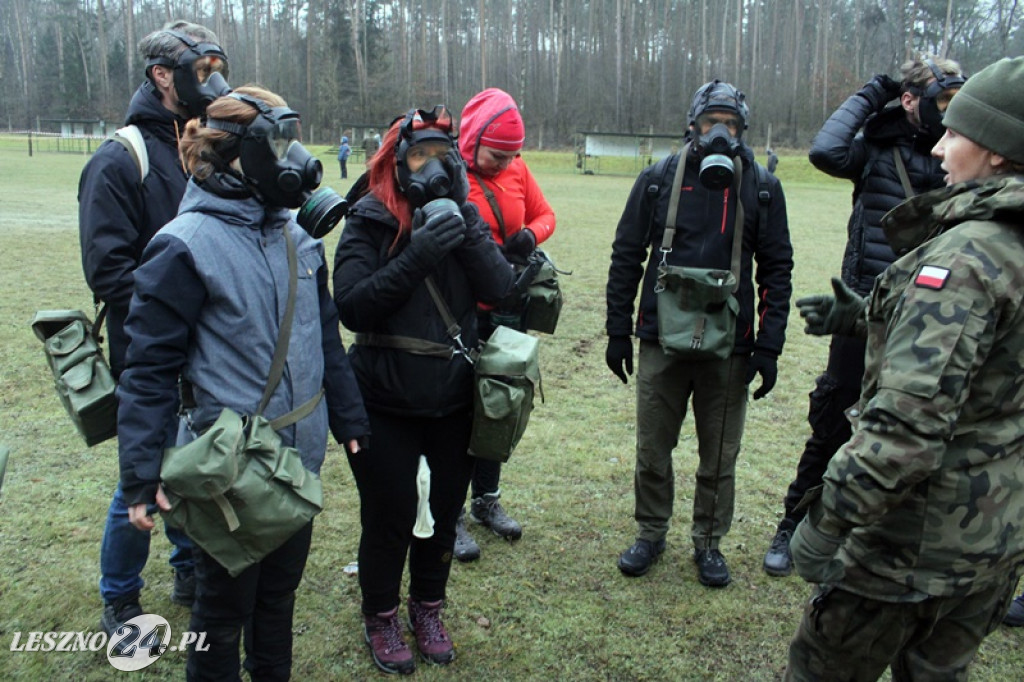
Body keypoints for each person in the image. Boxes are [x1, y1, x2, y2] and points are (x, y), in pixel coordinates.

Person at [117, 85, 369, 680]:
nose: (294, 158)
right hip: (227, 473)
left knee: (278, 602)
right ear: (234, 153)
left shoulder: (300, 238)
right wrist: (140, 473)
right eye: (276, 144)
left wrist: (351, 419)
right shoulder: (184, 247)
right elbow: (148, 370)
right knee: (221, 614)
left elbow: (325, 335)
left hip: (297, 462)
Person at [785, 56, 1024, 681]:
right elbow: (997, 359)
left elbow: (903, 435)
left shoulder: (967, 257)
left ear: (998, 152)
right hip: (997, 539)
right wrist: (875, 316)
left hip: (911, 547)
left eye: (957, 132)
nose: (942, 146)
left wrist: (823, 523)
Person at [763, 55, 965, 578]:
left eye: (955, 100)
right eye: (942, 99)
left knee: (916, 427)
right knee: (833, 421)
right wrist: (873, 91)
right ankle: (793, 524)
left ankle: (883, 539)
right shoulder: (877, 146)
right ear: (910, 100)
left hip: (935, 316)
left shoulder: (962, 158)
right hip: (860, 308)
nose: (950, 112)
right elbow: (825, 151)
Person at [333, 106, 515, 674]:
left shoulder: (465, 213)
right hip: (383, 398)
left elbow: (501, 287)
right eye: (418, 156)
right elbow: (352, 305)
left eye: (442, 155)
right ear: (397, 161)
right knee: (388, 515)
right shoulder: (369, 215)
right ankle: (381, 615)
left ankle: (427, 608)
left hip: (452, 398)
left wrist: (460, 225)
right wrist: (418, 253)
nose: (431, 166)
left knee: (442, 510)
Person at [605, 80, 793, 587]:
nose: (719, 132)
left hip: (729, 348)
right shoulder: (657, 179)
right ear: (692, 125)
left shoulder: (760, 187)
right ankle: (650, 531)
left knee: (720, 455)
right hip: (660, 339)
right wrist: (617, 331)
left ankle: (708, 543)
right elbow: (627, 254)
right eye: (711, 121)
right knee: (652, 448)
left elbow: (777, 268)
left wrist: (770, 345)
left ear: (742, 131)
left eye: (730, 125)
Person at [77, 19, 231, 635]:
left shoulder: (210, 143)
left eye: (217, 68)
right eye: (201, 70)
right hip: (148, 349)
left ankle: (187, 565)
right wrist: (176, 301)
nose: (213, 82)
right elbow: (107, 270)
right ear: (162, 76)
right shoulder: (121, 158)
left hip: (208, 347)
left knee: (193, 463)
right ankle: (120, 596)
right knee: (140, 477)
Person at [451, 87, 557, 562]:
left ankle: (485, 500)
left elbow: (546, 214)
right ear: (472, 141)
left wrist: (528, 236)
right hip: (458, 311)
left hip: (507, 307)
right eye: (497, 155)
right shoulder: (448, 173)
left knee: (501, 400)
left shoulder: (516, 168)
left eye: (512, 156)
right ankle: (448, 513)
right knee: (456, 411)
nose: (504, 164)